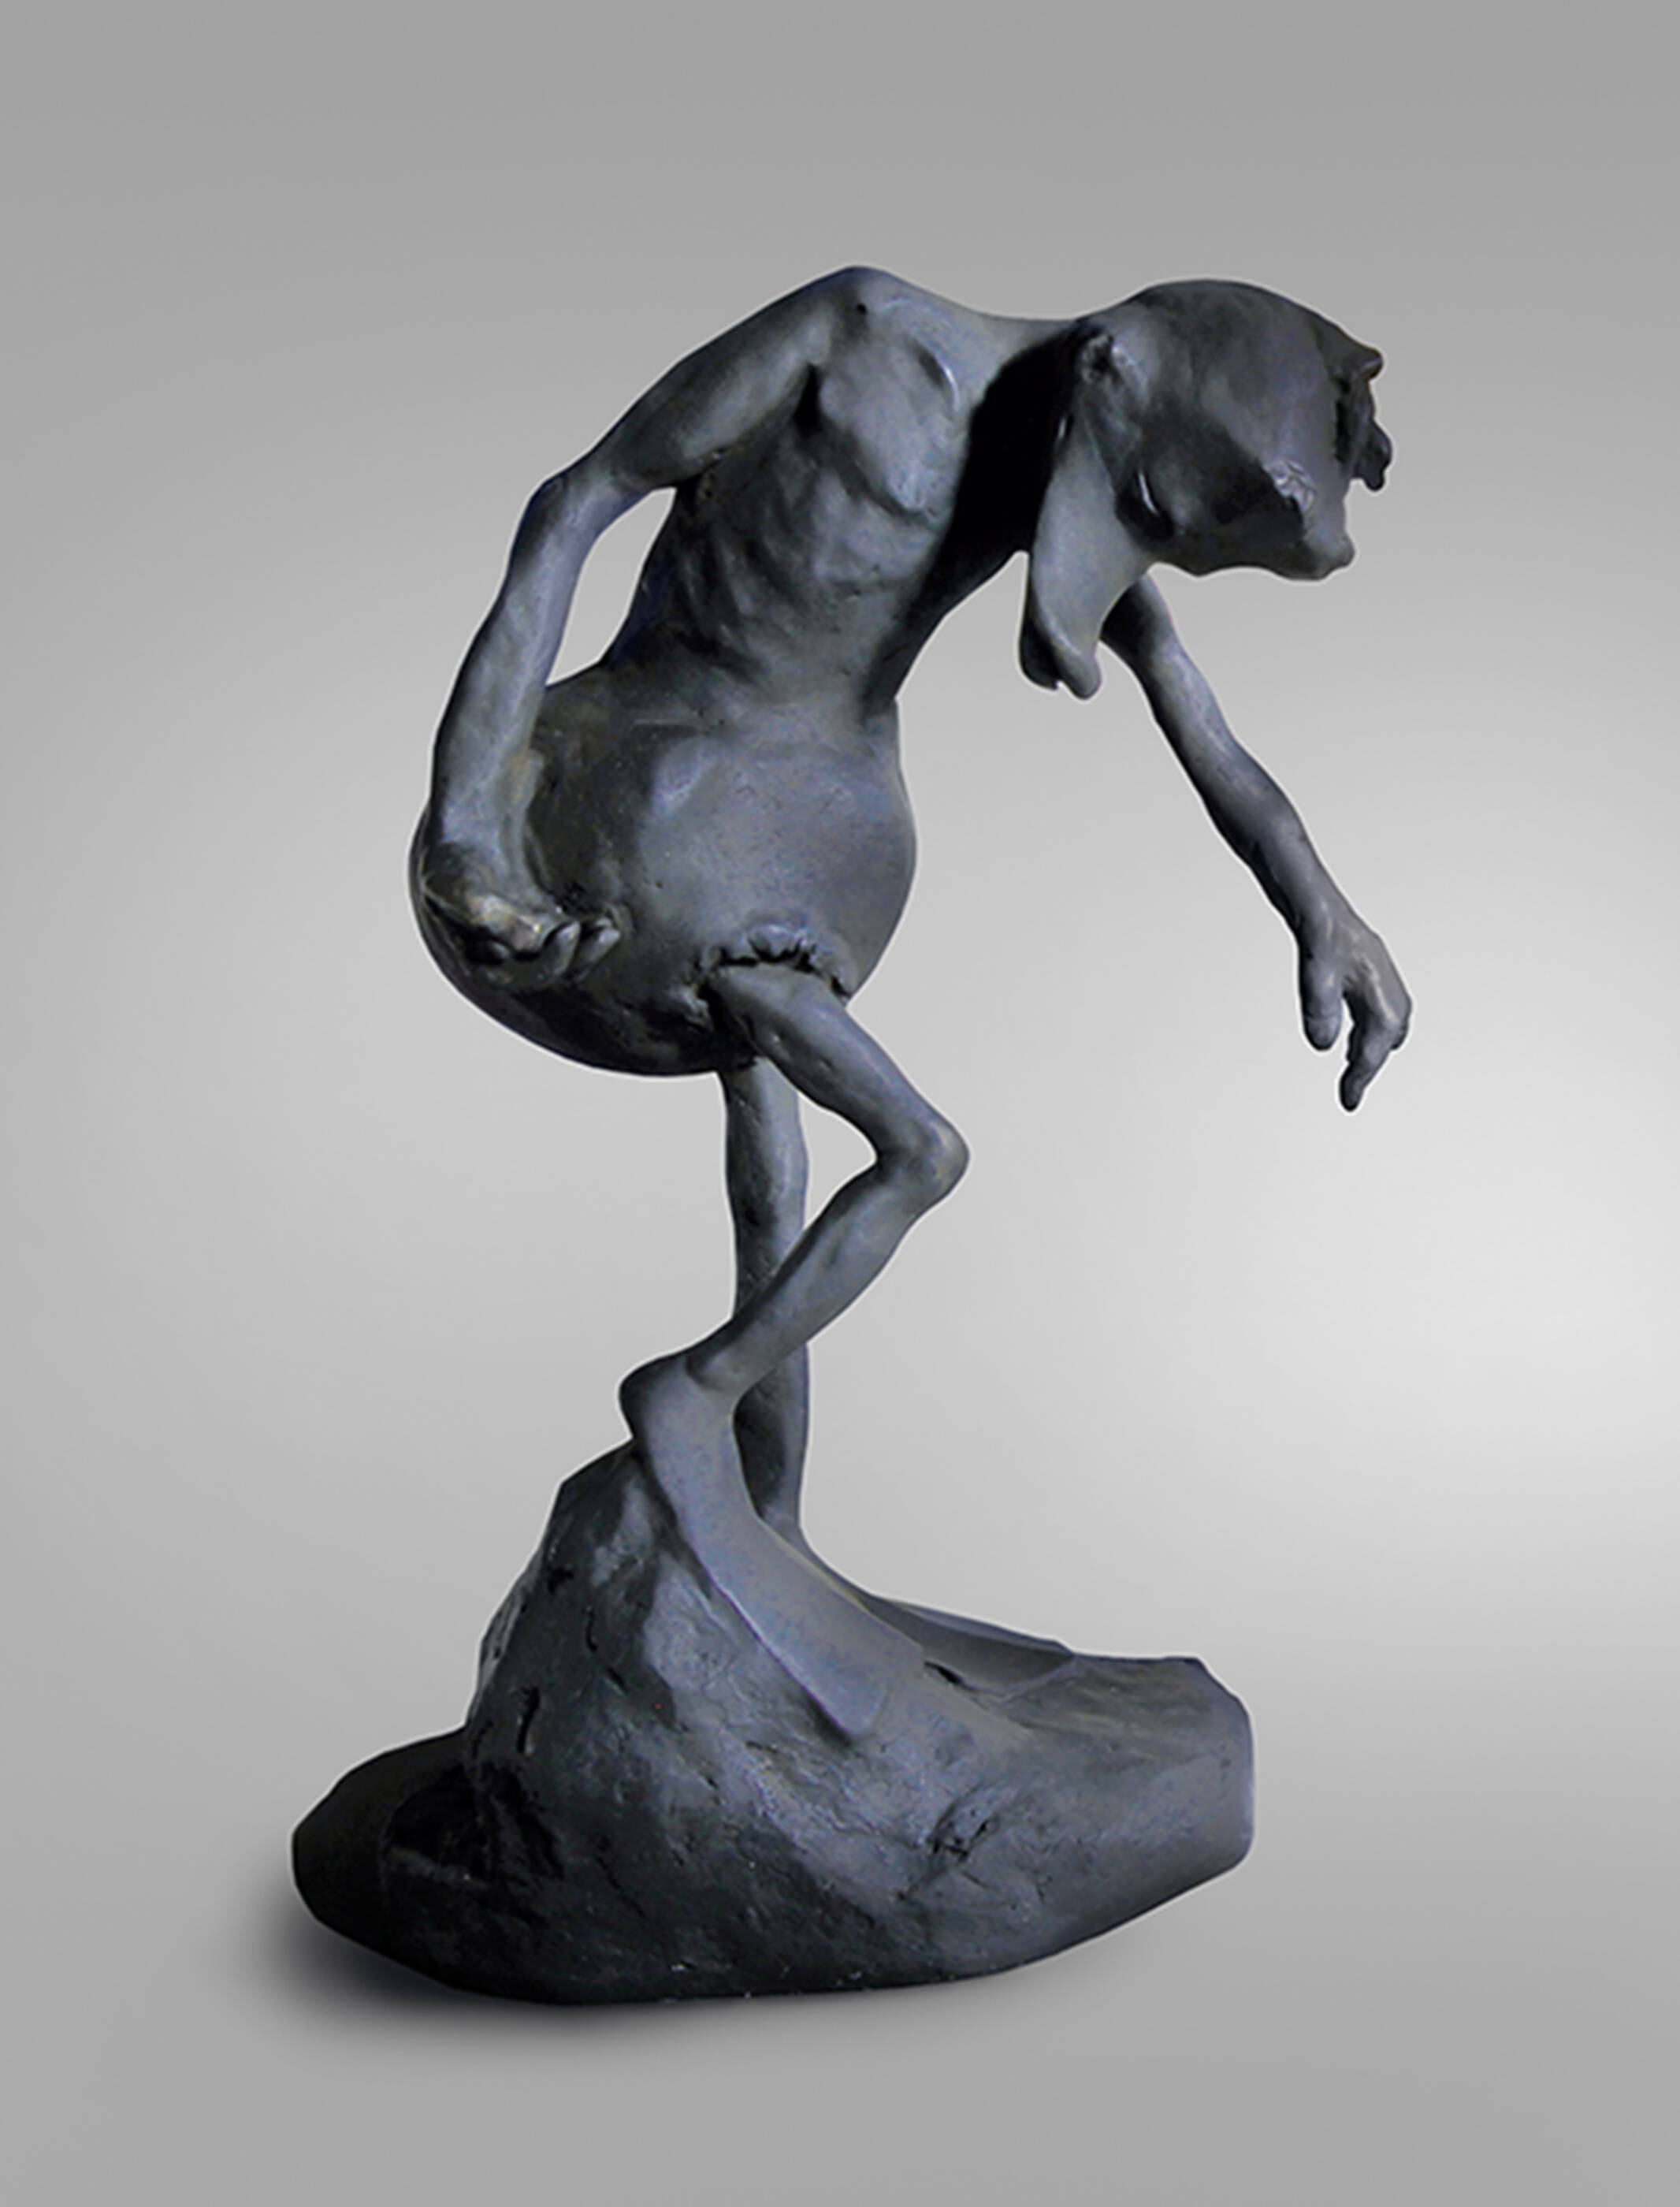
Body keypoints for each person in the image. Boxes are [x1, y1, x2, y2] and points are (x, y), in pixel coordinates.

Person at [411, 267, 1411, 1732]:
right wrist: (467, 825)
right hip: (641, 816)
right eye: (1141, 509)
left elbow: (1199, 723)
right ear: (1115, 373)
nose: (1122, 552)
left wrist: (1325, 911)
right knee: (916, 1150)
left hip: (804, 861)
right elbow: (578, 499)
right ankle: (697, 1394)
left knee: (771, 1177)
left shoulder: (1052, 459)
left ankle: (771, 1523)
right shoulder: (856, 336)